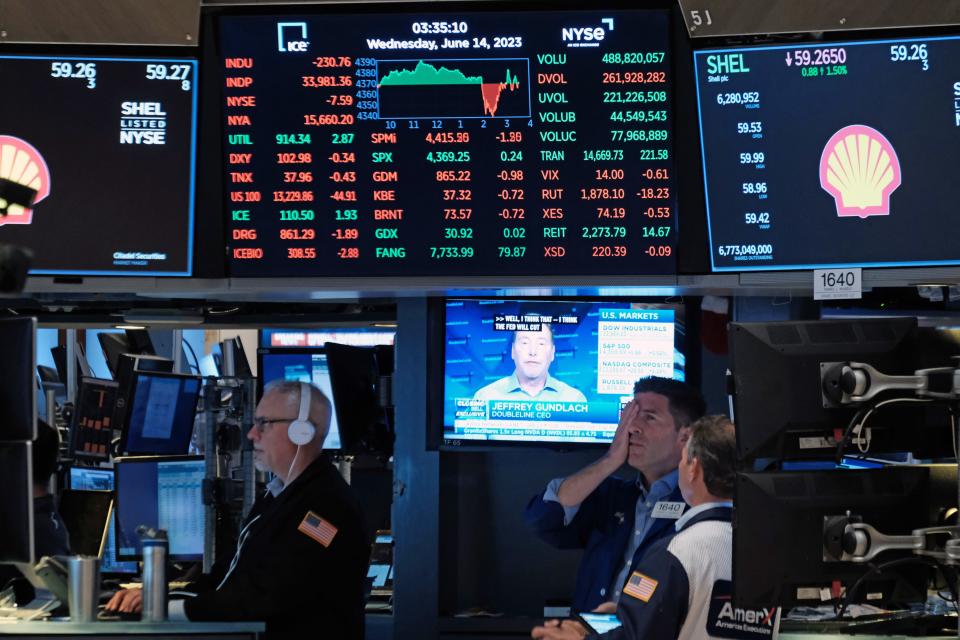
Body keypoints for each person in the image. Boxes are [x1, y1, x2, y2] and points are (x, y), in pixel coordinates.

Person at [106, 381, 370, 639]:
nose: (252, 434)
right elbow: (224, 580)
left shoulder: (326, 507)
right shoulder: (276, 497)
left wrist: (164, 610)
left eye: (264, 423)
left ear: (301, 431)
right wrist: (157, 598)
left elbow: (263, 600)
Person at [532, 415, 776, 640]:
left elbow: (637, 636)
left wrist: (582, 638)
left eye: (682, 459)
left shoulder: (674, 552)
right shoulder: (766, 548)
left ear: (694, 468)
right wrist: (633, 612)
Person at [525, 377, 705, 613]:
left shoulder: (699, 505)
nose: (632, 427)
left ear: (685, 436)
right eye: (629, 416)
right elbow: (543, 520)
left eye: (649, 417)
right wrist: (610, 460)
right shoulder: (611, 495)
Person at [472, 323, 587, 403]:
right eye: (525, 343)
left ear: (552, 353)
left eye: (541, 344)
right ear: (513, 351)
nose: (532, 352)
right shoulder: (485, 397)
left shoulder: (574, 399)